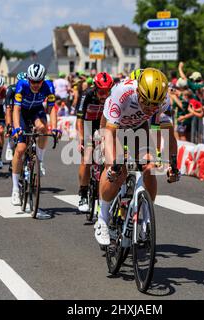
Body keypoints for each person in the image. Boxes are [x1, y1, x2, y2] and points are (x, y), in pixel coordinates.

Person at [94, 68, 180, 246]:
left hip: (139, 128)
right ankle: (102, 218)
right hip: (113, 127)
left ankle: (147, 218)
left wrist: (173, 164)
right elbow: (109, 133)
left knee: (149, 166)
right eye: (145, 102)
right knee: (117, 168)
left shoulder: (163, 101)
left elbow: (168, 134)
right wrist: (112, 165)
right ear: (138, 92)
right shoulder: (122, 93)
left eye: (153, 105)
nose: (149, 107)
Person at [11, 64, 57, 218]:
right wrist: (17, 128)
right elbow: (16, 109)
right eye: (33, 81)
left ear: (43, 80)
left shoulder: (49, 86)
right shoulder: (21, 85)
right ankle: (15, 189)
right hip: (23, 113)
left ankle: (40, 161)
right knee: (21, 148)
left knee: (44, 129)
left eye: (38, 82)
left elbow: (52, 108)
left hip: (36, 111)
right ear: (28, 79)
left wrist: (55, 128)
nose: (36, 85)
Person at [76, 72, 114, 213]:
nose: (104, 96)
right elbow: (79, 120)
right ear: (96, 89)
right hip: (87, 125)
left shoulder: (112, 97)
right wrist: (81, 138)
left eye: (107, 92)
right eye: (101, 92)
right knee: (87, 157)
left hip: (104, 125)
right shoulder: (86, 95)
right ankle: (83, 194)